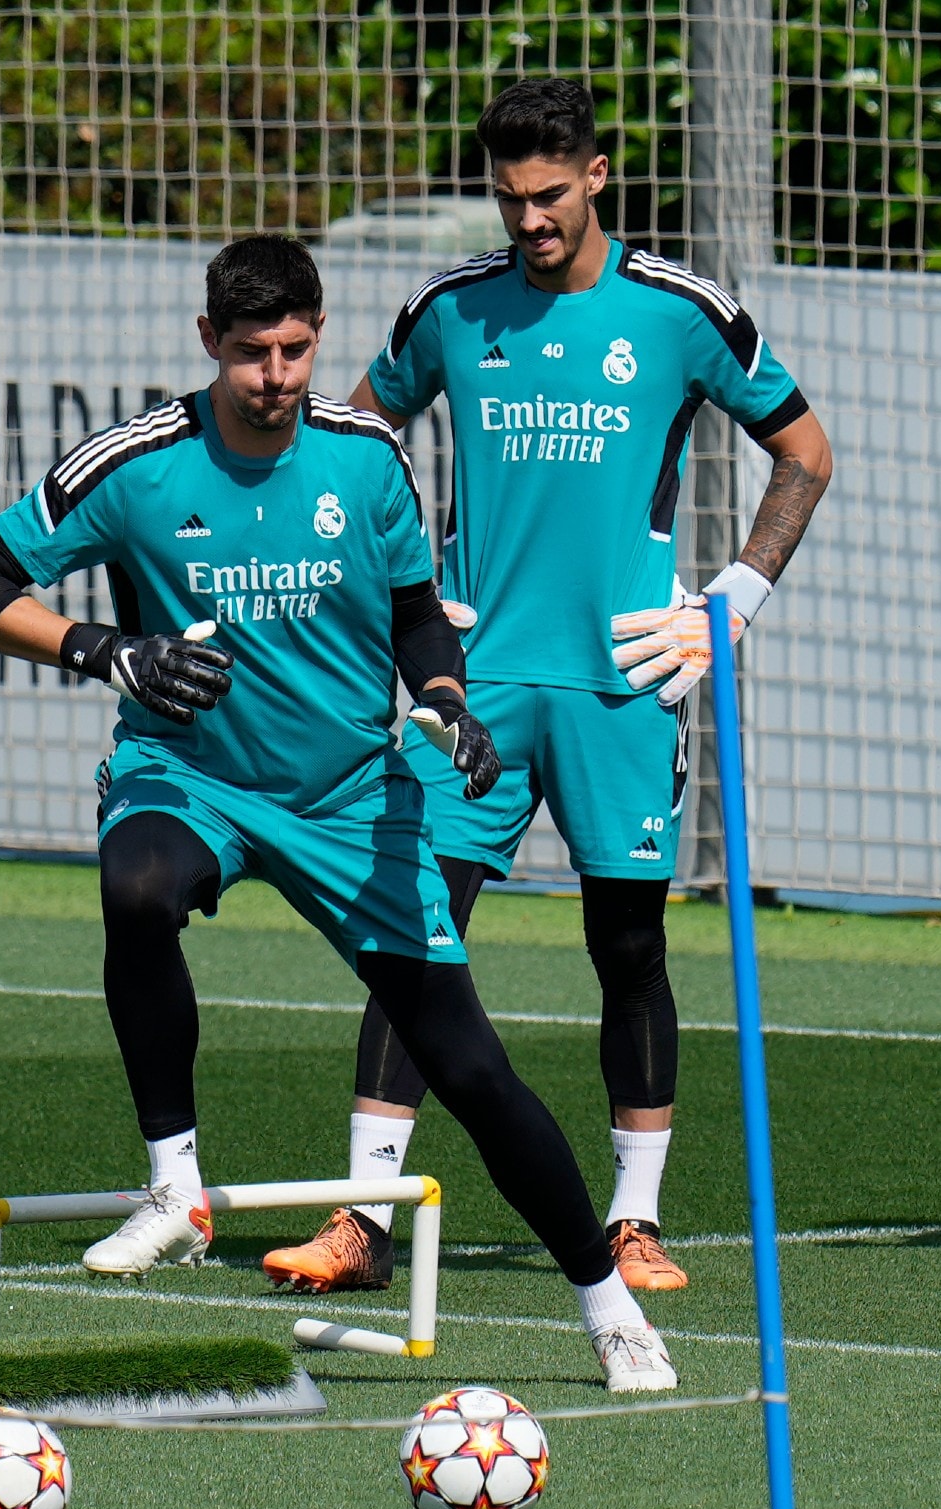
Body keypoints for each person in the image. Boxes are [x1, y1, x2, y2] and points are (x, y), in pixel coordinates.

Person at [0, 233, 676, 1392]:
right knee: (135, 886)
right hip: (191, 778)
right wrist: (106, 650)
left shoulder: (368, 457)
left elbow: (421, 614)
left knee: (471, 1069)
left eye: (291, 349)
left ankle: (606, 1303)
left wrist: (442, 699)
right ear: (207, 344)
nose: (273, 375)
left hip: (346, 801)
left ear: (317, 338)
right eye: (248, 354)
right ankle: (174, 1188)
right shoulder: (134, 463)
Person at [263, 78, 832, 1298]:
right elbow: (355, 446)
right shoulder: (450, 309)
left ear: (596, 175)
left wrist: (727, 604)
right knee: (410, 926)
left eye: (548, 194)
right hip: (471, 687)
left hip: (619, 684)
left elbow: (804, 452)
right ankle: (363, 1217)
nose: (528, 219)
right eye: (509, 196)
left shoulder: (680, 313)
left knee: (625, 943)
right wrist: (403, 591)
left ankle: (633, 1222)